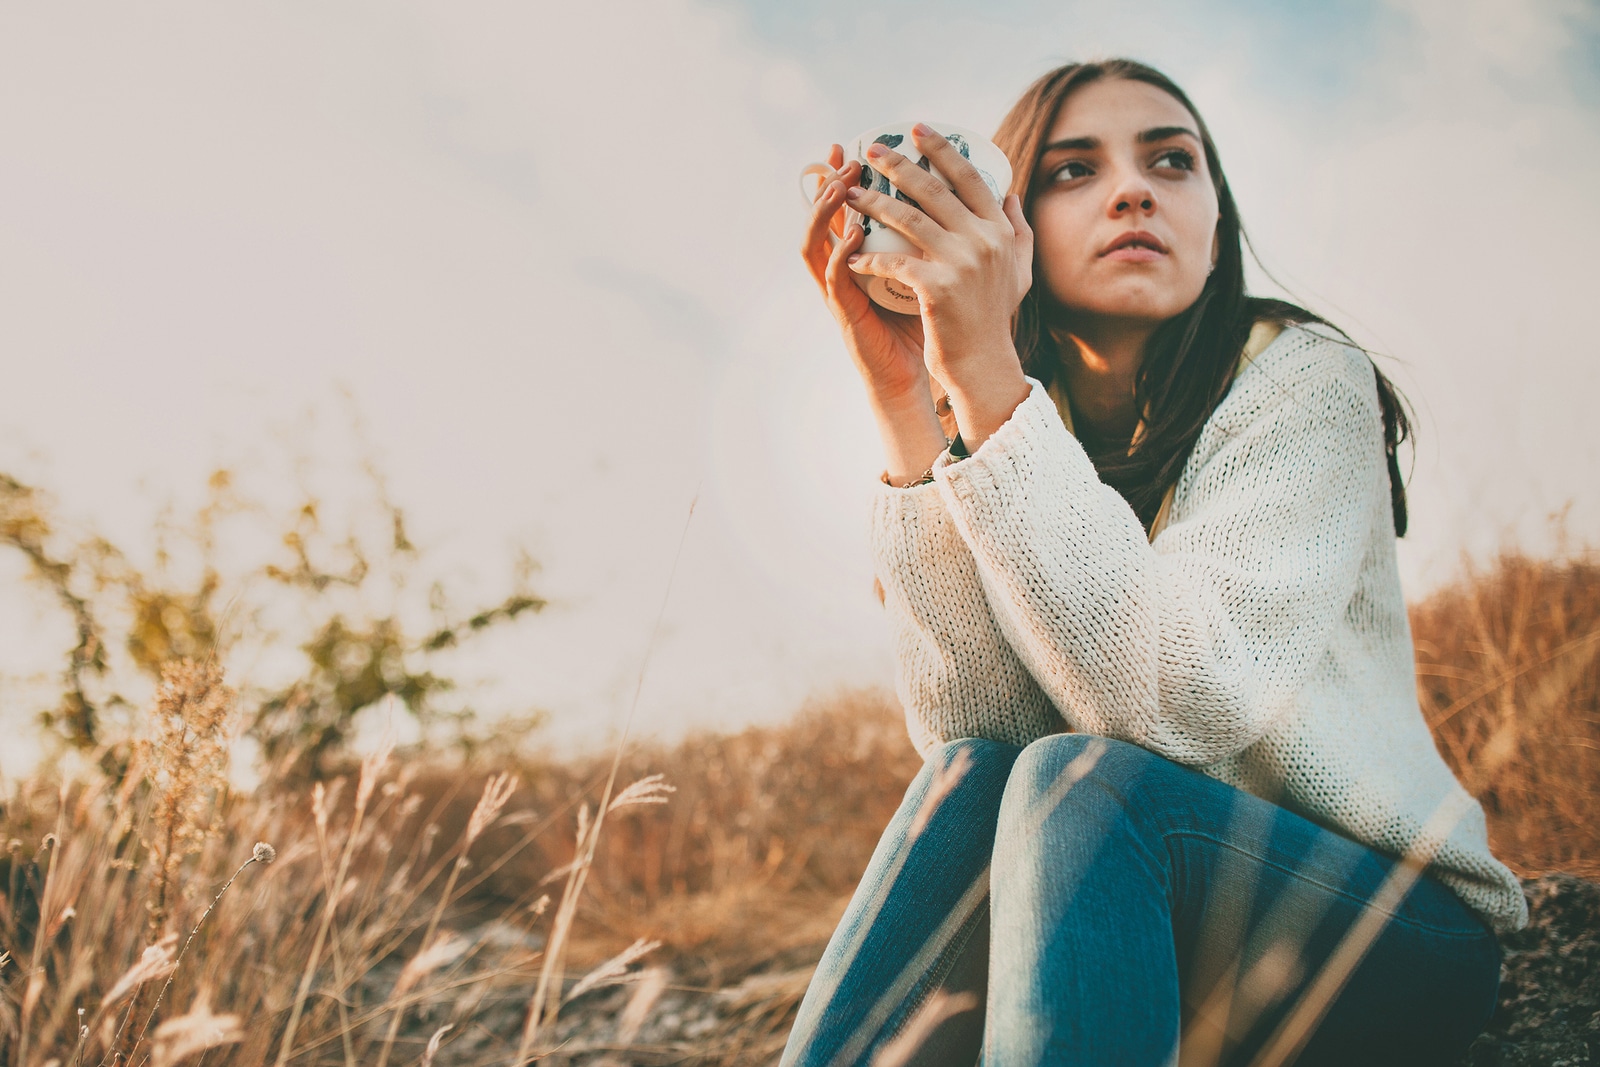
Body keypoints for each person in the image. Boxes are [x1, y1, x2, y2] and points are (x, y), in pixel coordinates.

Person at [783, 59, 1526, 1067]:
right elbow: (982, 735)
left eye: (1170, 161)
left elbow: (1170, 704)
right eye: (1074, 170)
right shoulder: (1008, 422)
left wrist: (986, 379)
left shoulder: (1303, 377)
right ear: (1013, 225)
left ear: (1215, 218)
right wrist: (907, 393)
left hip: (1382, 930)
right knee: (979, 774)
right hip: (1129, 917)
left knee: (1087, 778)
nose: (1132, 188)